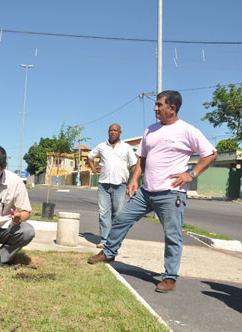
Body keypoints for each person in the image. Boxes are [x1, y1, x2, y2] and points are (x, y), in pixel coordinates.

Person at [88, 90, 217, 293]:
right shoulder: (150, 130)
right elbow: (142, 158)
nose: (155, 108)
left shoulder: (187, 130)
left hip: (171, 193)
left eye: (159, 105)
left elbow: (210, 154)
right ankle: (109, 253)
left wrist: (191, 175)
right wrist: (135, 179)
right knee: (122, 218)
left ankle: (170, 277)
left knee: (172, 235)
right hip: (146, 192)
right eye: (156, 105)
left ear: (172, 108)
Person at [87, 124, 137, 248]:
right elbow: (89, 157)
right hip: (103, 184)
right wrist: (93, 169)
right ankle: (104, 240)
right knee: (103, 212)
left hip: (120, 185)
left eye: (115, 130)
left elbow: (134, 165)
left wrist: (134, 180)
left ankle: (114, 241)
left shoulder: (126, 147)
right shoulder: (101, 146)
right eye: (111, 130)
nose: (113, 132)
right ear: (108, 132)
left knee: (118, 213)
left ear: (120, 132)